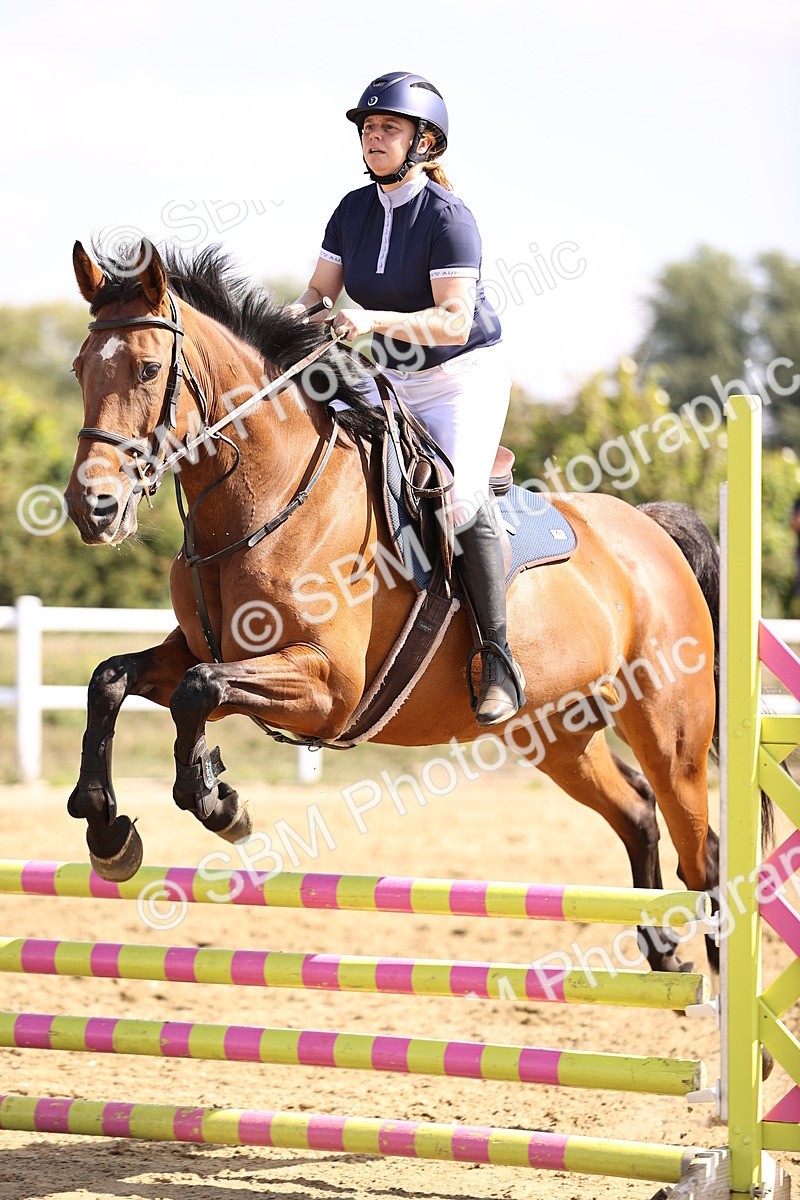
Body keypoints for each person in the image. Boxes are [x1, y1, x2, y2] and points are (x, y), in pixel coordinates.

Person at [292, 71, 525, 726]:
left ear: (424, 141)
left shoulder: (450, 219)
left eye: (388, 127)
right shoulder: (351, 210)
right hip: (388, 373)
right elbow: (317, 295)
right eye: (368, 128)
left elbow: (451, 322)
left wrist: (369, 322)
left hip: (460, 375)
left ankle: (497, 654)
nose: (374, 137)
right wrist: (279, 325)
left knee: (458, 497)